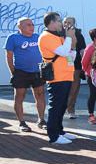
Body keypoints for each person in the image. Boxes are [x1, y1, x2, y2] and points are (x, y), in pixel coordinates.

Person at [39, 12, 77, 145]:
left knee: (62, 105)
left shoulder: (58, 36)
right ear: (52, 22)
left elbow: (71, 53)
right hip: (57, 77)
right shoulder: (46, 36)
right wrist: (69, 38)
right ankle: (53, 135)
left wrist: (70, 39)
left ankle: (59, 130)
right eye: (59, 21)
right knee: (55, 106)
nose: (62, 23)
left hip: (66, 74)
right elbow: (64, 52)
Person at [4, 17, 46, 132]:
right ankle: (22, 122)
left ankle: (41, 120)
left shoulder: (38, 37)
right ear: (20, 27)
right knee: (19, 96)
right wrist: (14, 72)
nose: (31, 27)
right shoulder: (13, 38)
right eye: (28, 25)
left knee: (40, 94)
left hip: (37, 72)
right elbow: (8, 57)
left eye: (32, 24)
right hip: (21, 72)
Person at [64, 17, 86, 119]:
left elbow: (82, 50)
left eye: (69, 22)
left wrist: (84, 65)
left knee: (74, 89)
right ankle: (62, 109)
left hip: (75, 65)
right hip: (61, 66)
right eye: (65, 22)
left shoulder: (78, 34)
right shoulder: (58, 33)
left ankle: (71, 109)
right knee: (62, 89)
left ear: (74, 24)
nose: (67, 24)